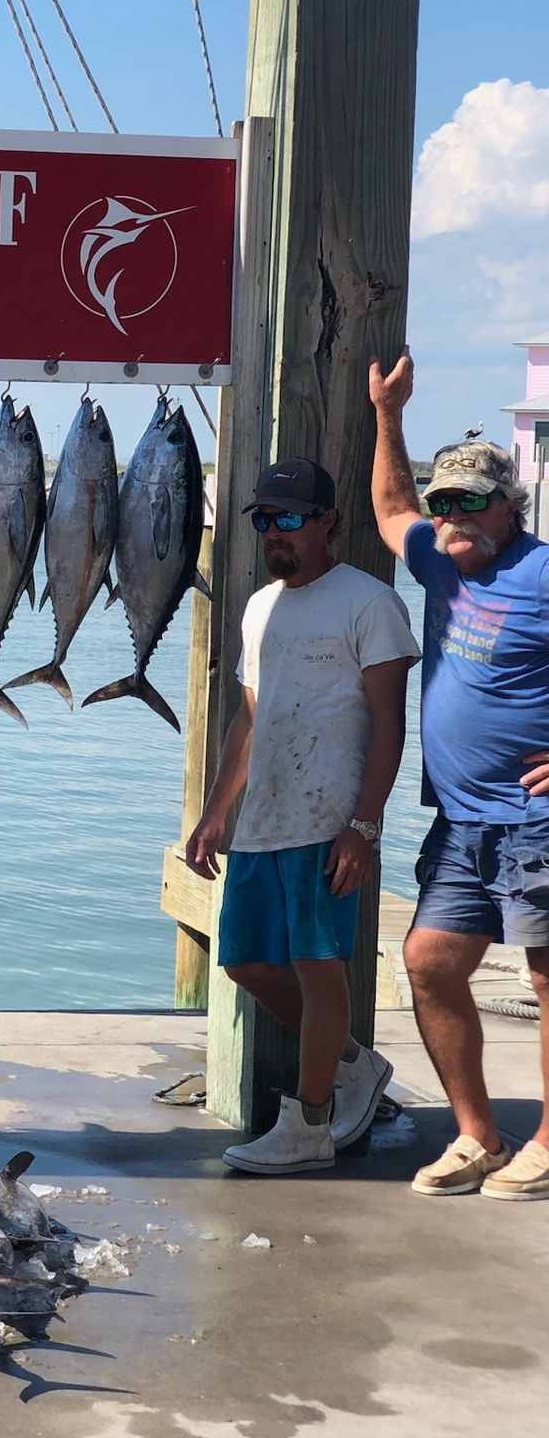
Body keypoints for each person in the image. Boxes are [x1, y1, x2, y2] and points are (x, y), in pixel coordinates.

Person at [184, 458, 418, 1173]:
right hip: (265, 816)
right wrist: (216, 810)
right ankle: (351, 1066)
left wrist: (365, 824)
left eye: (290, 519)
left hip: (329, 818)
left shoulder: (370, 602)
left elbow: (388, 724)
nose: (275, 534)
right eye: (264, 521)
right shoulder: (260, 607)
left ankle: (308, 1124)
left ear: (328, 524)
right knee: (245, 962)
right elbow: (250, 718)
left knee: (320, 968)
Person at [369, 352, 549, 1199]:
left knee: (548, 980)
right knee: (430, 962)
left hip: (536, 818)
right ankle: (478, 1136)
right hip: (463, 821)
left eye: (474, 500)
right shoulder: (439, 562)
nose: (453, 514)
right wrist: (388, 414)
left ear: (510, 505)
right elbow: (388, 504)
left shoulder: (542, 571)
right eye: (446, 501)